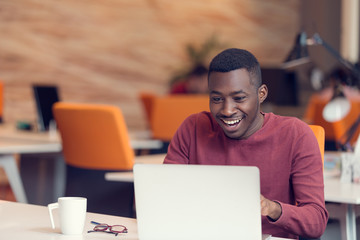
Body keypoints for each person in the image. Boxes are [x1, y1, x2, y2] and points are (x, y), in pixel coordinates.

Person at [164, 48, 328, 239]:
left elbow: (316, 221)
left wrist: (272, 208)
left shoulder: (296, 134)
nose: (227, 110)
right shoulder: (192, 128)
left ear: (261, 94)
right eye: (217, 99)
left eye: (239, 98)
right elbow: (164, 195)